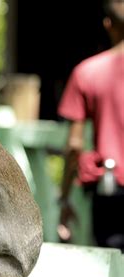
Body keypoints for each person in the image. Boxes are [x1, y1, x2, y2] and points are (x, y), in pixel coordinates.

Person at [57, 0, 124, 252]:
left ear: (108, 24)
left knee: (115, 265)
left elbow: (74, 144)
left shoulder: (86, 72)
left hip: (111, 188)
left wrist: (64, 197)